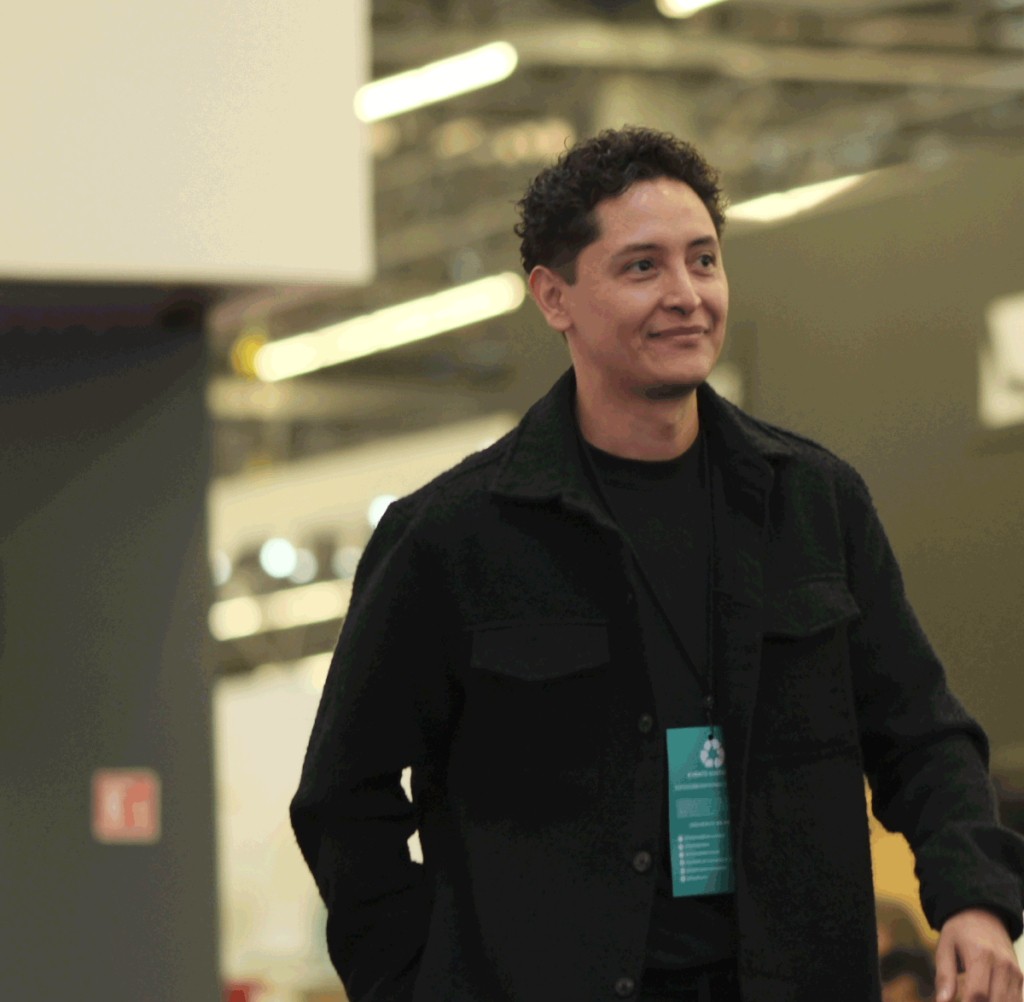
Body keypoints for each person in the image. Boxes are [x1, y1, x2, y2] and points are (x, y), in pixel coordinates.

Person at [290, 126, 1024, 1002]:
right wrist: (414, 982)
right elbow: (344, 800)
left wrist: (975, 899)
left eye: (703, 260)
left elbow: (924, 736)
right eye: (642, 267)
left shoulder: (814, 505)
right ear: (554, 297)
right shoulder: (451, 538)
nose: (686, 295)